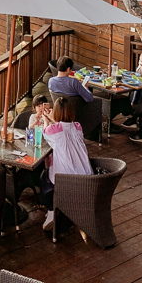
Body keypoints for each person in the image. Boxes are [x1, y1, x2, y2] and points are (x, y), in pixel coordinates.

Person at [40, 96, 93, 229]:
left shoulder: (53, 129)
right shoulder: (78, 127)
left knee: (43, 176)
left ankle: (51, 209)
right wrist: (54, 119)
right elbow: (64, 127)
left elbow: (46, 131)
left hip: (66, 180)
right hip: (87, 178)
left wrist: (47, 119)